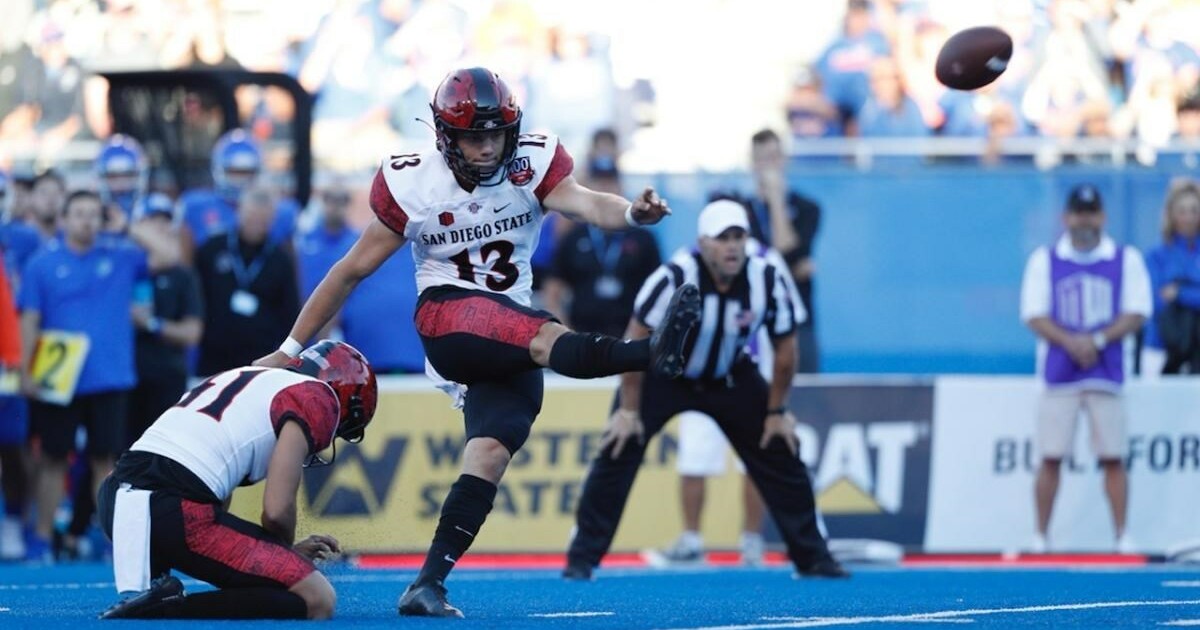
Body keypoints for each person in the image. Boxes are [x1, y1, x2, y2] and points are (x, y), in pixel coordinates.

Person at [252, 67, 700, 618]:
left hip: (510, 328)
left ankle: (427, 584)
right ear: (445, 135)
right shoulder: (414, 181)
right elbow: (348, 272)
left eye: (495, 133)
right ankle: (650, 355)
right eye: (473, 135)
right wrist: (290, 349)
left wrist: (632, 212)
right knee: (543, 333)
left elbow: (585, 204)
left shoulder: (531, 164)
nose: (487, 147)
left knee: (488, 454)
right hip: (448, 317)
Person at [564, 199, 846, 581]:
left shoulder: (766, 277)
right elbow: (634, 338)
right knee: (617, 447)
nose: (731, 245)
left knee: (780, 450)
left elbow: (785, 347)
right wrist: (628, 411)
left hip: (730, 374)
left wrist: (777, 413)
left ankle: (813, 558)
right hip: (664, 374)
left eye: (738, 236)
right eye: (722, 238)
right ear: (702, 243)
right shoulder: (675, 274)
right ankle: (581, 559)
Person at [95, 340, 377, 620]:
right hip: (167, 508)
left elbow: (213, 497)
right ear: (344, 398)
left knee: (264, 582)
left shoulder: (245, 376)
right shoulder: (317, 398)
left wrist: (277, 556)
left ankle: (160, 599)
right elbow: (277, 511)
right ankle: (167, 609)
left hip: (116, 501)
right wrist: (284, 554)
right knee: (318, 599)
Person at [17, 191, 176, 559]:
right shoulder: (42, 263)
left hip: (109, 375)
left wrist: (127, 226)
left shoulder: (120, 255)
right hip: (59, 379)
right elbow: (29, 318)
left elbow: (169, 256)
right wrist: (26, 370)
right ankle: (42, 541)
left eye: (93, 215)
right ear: (64, 220)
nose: (86, 221)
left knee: (106, 462)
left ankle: (113, 543)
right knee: (53, 459)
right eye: (78, 214)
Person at [1019, 184, 1151, 554]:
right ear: (1066, 217)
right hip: (1059, 373)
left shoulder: (1126, 259)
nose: (1084, 220)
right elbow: (1034, 313)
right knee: (1050, 455)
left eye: (1091, 213)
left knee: (1112, 455)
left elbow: (1137, 312)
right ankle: (1040, 536)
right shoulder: (1045, 260)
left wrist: (1096, 341)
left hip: (1105, 372)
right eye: (1078, 213)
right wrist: (1071, 342)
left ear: (1102, 217)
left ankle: (1122, 535)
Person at [543, 128, 662, 337]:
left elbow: (659, 293)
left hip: (628, 339)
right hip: (583, 339)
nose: (606, 186)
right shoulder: (574, 236)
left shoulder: (642, 238)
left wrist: (640, 338)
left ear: (620, 184)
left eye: (611, 180)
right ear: (590, 185)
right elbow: (553, 290)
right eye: (599, 181)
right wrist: (567, 337)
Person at [194, 185, 299, 376]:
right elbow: (195, 294)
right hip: (213, 356)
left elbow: (289, 311)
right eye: (252, 217)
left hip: (260, 360)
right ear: (239, 212)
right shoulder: (213, 248)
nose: (257, 224)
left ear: (272, 219)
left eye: (263, 220)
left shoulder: (280, 259)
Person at [126, 193, 204, 445]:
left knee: (164, 449)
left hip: (166, 374)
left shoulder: (183, 275)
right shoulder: (123, 265)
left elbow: (192, 332)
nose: (159, 227)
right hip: (125, 375)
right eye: (151, 220)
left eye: (164, 220)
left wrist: (152, 324)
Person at [178, 128, 298, 264]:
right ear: (219, 170)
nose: (241, 180)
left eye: (246, 172)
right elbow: (185, 265)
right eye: (234, 172)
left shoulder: (280, 210)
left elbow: (290, 266)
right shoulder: (196, 206)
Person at [1140, 179, 1200, 376]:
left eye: (1194, 210)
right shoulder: (1156, 255)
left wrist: (1180, 292)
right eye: (1182, 211)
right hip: (1161, 347)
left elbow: (1170, 294)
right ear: (1171, 214)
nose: (1189, 218)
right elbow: (1154, 302)